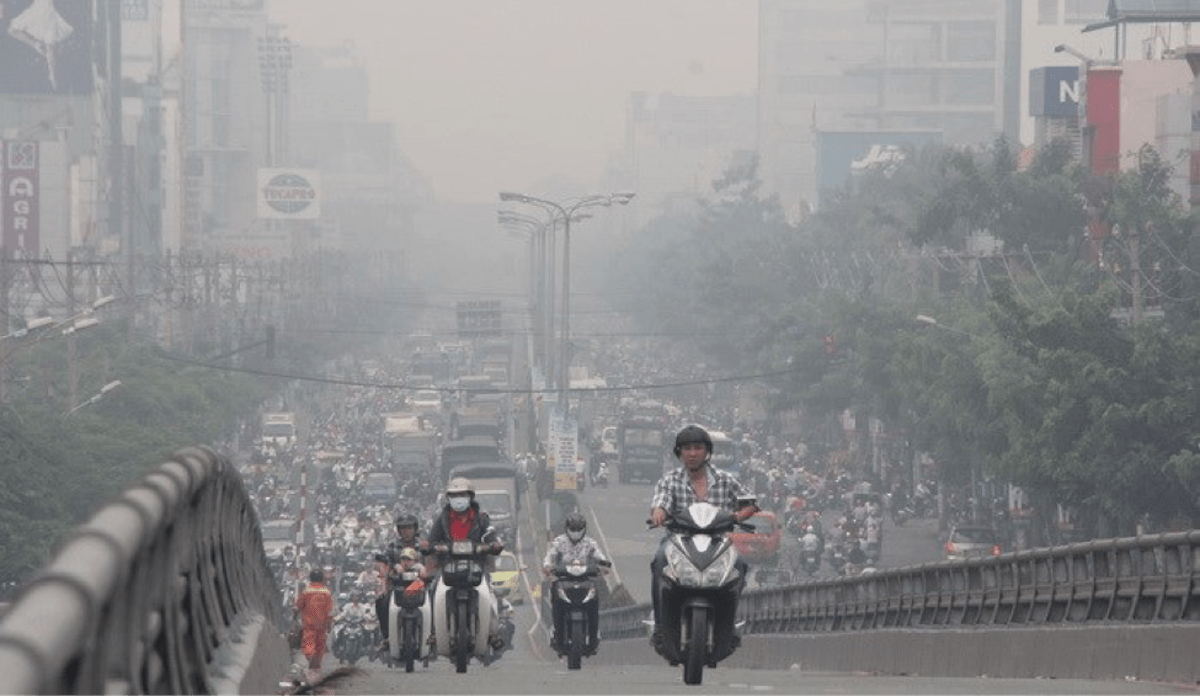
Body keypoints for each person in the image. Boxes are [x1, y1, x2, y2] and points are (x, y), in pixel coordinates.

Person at [647, 425, 758, 651]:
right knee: (659, 561)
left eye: (698, 448)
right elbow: (660, 502)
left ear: (707, 452)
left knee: (741, 565)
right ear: (679, 453)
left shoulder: (725, 479)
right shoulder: (670, 480)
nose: (693, 453)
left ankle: (730, 623)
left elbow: (749, 503)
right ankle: (660, 625)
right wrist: (659, 513)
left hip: (719, 542)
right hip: (679, 542)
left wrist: (737, 515)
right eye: (687, 448)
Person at [422, 477, 506, 652]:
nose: (458, 498)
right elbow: (432, 539)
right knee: (432, 589)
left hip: (475, 565)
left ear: (470, 497)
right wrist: (430, 547)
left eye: (462, 494)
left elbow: (490, 535)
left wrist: (494, 544)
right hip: (447, 565)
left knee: (488, 594)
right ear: (448, 498)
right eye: (454, 495)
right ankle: (433, 632)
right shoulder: (442, 518)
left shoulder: (481, 518)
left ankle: (492, 632)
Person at [542, 511, 610, 655]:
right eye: (573, 529)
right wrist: (547, 566)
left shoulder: (590, 543)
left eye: (579, 530)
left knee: (594, 602)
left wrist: (604, 565)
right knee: (555, 595)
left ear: (584, 529)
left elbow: (600, 556)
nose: (576, 533)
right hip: (564, 580)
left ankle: (594, 635)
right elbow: (550, 556)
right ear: (567, 528)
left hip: (586, 580)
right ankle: (556, 631)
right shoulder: (559, 542)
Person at [373, 513, 425, 654]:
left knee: (433, 598)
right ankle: (386, 638)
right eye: (403, 528)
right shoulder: (392, 545)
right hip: (397, 586)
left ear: (415, 529)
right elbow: (384, 561)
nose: (406, 531)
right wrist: (393, 567)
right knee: (381, 602)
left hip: (419, 586)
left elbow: (431, 560)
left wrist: (423, 568)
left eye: (409, 528)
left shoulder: (423, 545)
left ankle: (432, 635)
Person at [295, 568, 335, 676]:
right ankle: (316, 668)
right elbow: (329, 611)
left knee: (309, 645)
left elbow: (299, 606)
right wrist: (329, 624)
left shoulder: (306, 592)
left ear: (311, 579)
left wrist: (294, 616)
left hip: (309, 625)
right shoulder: (327, 592)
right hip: (322, 626)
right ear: (322, 579)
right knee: (320, 647)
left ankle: (311, 663)